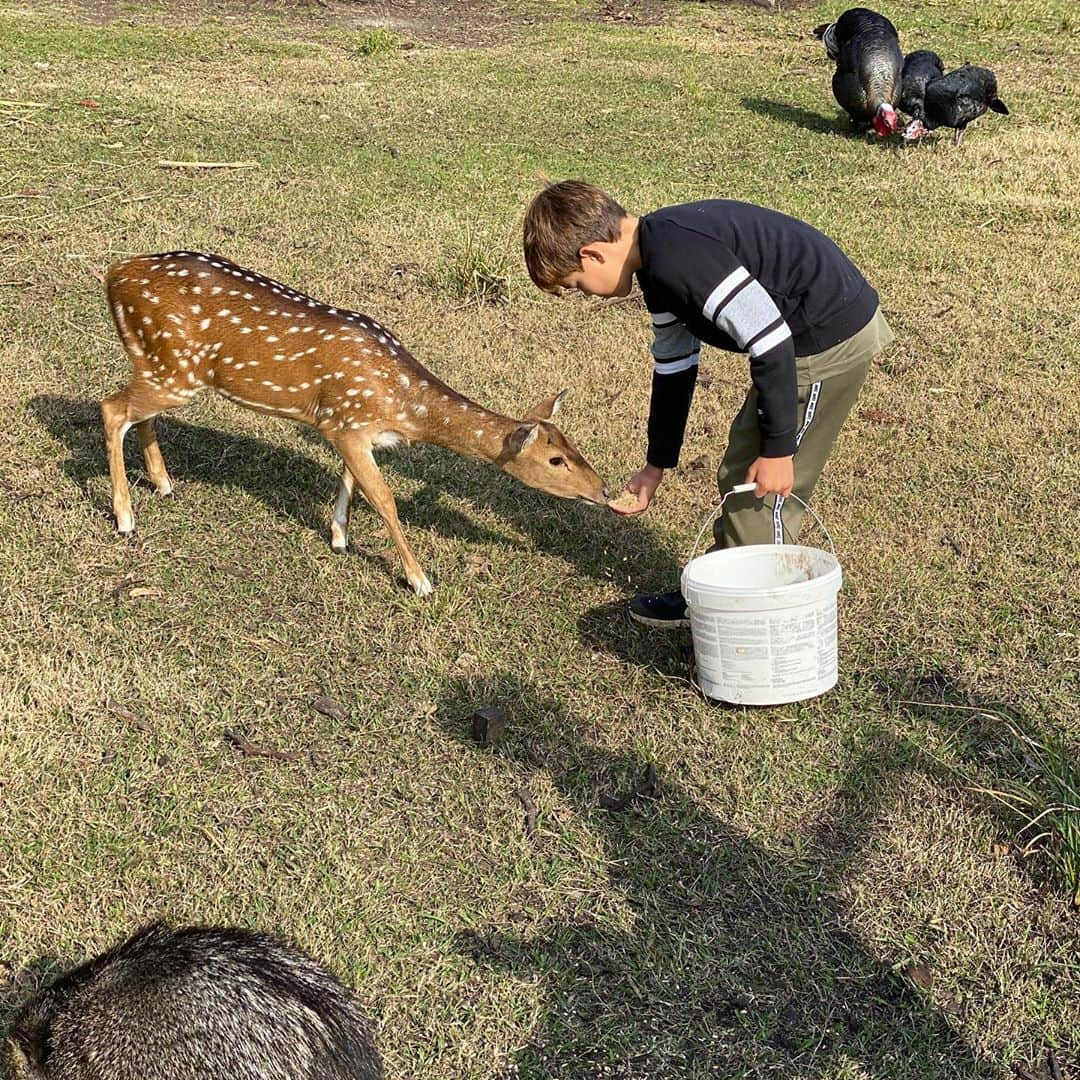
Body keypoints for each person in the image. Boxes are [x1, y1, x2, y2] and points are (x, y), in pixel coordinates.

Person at [523, 180, 893, 627]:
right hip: (803, 336)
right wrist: (656, 464)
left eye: (578, 285)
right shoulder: (657, 263)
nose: (588, 293)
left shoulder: (677, 259)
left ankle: (757, 626)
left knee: (762, 492)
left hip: (825, 336)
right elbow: (674, 369)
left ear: (593, 255)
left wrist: (778, 450)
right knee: (742, 469)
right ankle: (722, 590)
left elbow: (771, 342)